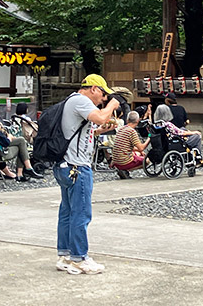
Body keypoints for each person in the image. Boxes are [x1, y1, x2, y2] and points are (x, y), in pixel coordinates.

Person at [55, 74, 121, 275]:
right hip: (78, 166)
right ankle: (79, 258)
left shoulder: (70, 101)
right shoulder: (81, 100)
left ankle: (65, 255)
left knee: (67, 211)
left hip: (64, 165)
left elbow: (86, 130)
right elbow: (101, 115)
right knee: (81, 213)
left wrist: (101, 130)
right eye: (103, 94)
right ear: (93, 88)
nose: (103, 99)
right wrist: (113, 104)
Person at [0, 106, 41, 181]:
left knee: (21, 141)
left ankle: (24, 171)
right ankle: (25, 170)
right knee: (21, 145)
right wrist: (9, 137)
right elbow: (6, 143)